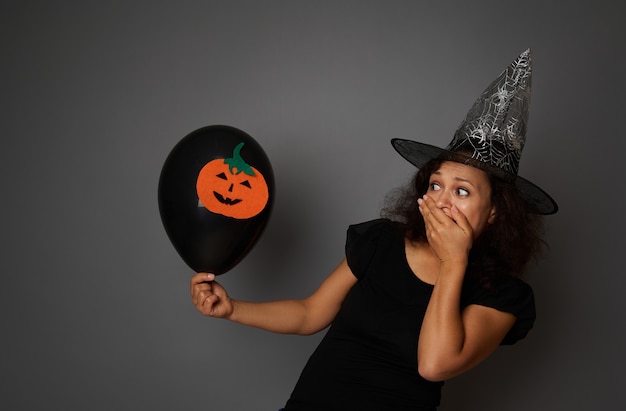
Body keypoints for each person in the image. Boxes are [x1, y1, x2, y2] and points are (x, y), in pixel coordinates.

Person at [190, 49, 558, 410]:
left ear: (495, 211)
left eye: (462, 191)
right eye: (435, 184)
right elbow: (309, 313)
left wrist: (454, 262)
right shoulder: (382, 241)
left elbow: (433, 365)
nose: (442, 200)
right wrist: (231, 308)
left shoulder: (503, 296)